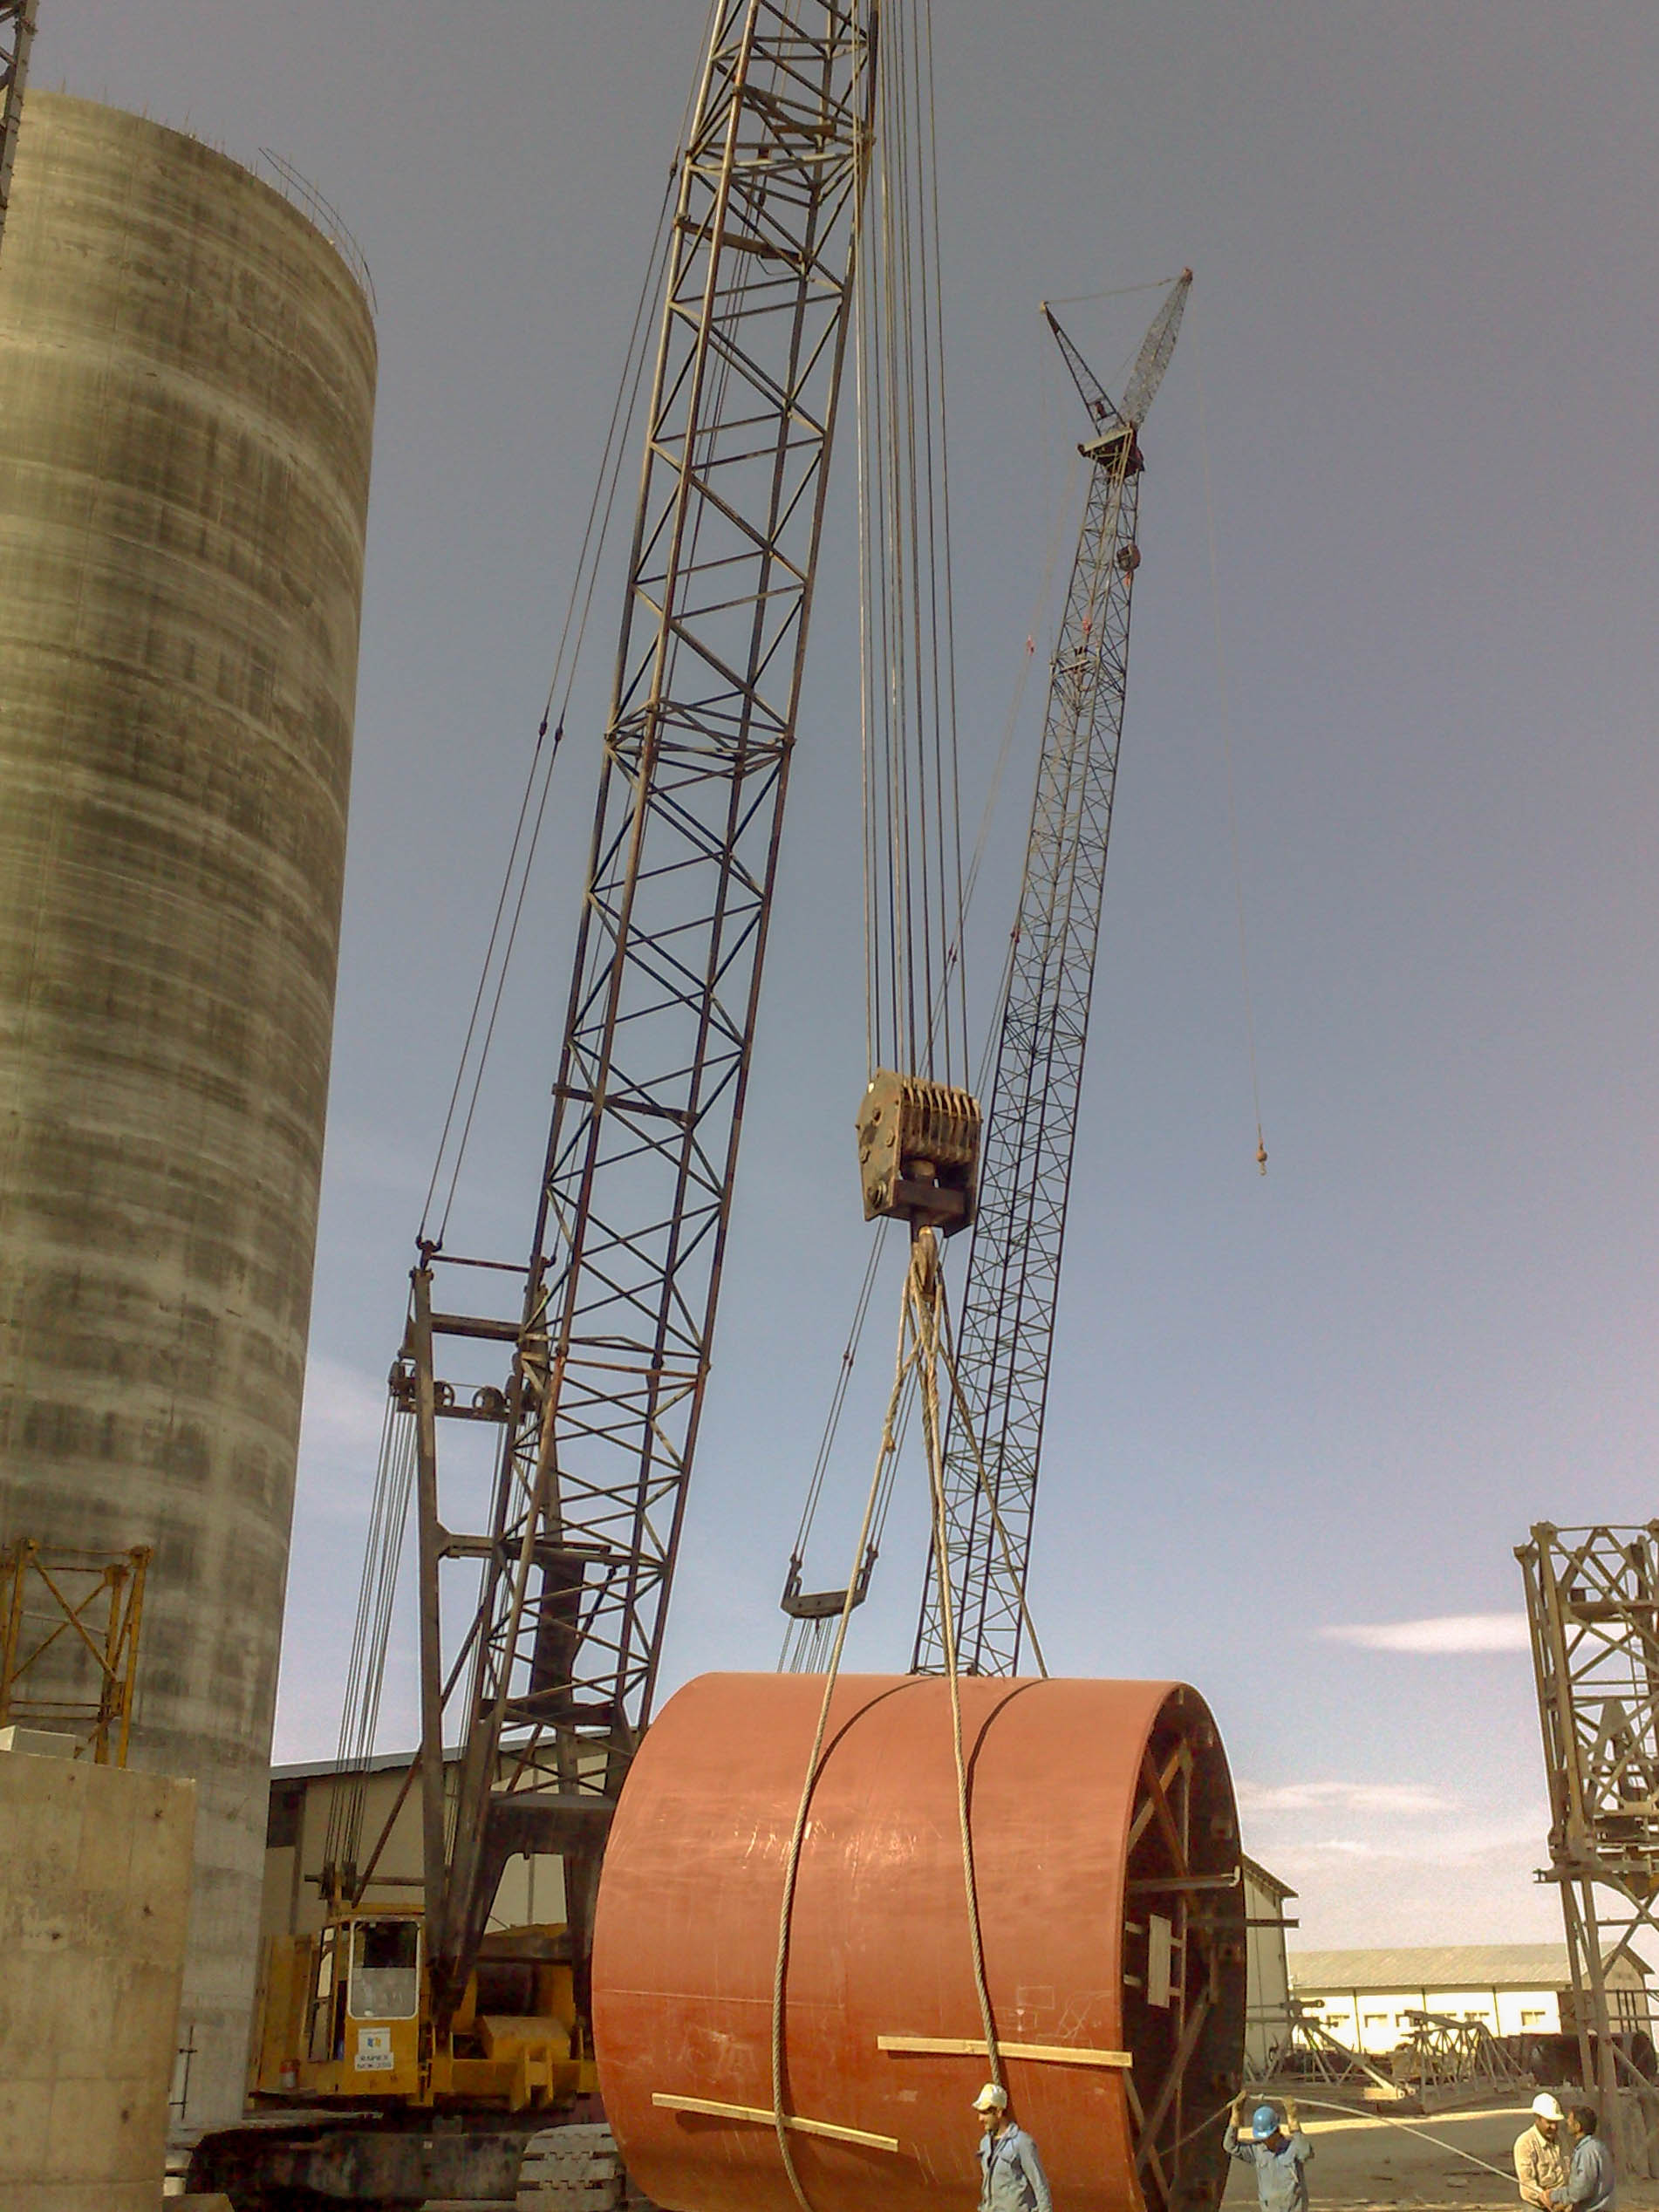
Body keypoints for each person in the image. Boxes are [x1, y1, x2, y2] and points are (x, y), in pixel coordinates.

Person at [1224, 2095, 1314, 2212]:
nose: (1264, 2141)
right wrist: (1235, 2116)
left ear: (1276, 2131)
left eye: (1267, 2137)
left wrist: (1293, 2121)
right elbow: (1230, 2146)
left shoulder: (1292, 2147)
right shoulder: (1257, 2151)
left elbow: (1306, 2152)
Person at [974, 2082, 1052, 2212]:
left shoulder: (1022, 2143)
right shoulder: (985, 2144)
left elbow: (1040, 2186)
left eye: (985, 2113)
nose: (980, 2118)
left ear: (999, 2112)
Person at [1549, 2105, 1615, 2212]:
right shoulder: (1595, 2147)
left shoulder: (1587, 2151)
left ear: (1577, 2126)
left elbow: (1582, 2189)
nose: (1567, 2123)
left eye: (1570, 2120)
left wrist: (1554, 2196)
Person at [1516, 2092, 1570, 2209]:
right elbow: (1527, 2182)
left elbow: (1568, 2171)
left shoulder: (1561, 2138)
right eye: (1549, 2122)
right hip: (1538, 2205)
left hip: (1563, 2201)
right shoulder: (1525, 2142)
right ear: (1537, 2118)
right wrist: (1544, 2196)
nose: (1554, 2127)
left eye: (1556, 2123)